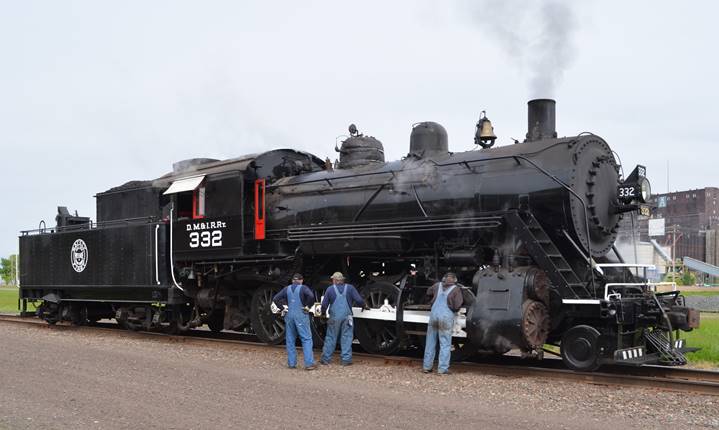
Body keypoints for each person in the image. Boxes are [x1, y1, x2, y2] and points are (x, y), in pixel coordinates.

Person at [320, 272, 366, 366]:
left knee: (331, 337)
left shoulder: (330, 289)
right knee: (347, 337)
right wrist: (364, 306)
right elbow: (359, 300)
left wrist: (323, 314)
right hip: (347, 317)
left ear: (334, 280)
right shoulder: (350, 288)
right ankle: (346, 359)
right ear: (342, 280)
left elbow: (324, 305)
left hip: (334, 317)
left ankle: (325, 359)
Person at [272, 273, 317, 370]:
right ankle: (309, 363)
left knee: (290, 340)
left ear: (292, 280)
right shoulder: (303, 288)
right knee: (306, 339)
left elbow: (275, 299)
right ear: (301, 280)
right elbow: (311, 296)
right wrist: (308, 307)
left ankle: (291, 363)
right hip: (301, 315)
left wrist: (282, 308)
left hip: (289, 316)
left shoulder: (286, 289)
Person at [422, 272, 464, 375]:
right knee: (445, 343)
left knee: (430, 341)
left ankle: (427, 367)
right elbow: (458, 305)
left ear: (444, 279)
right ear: (455, 281)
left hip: (434, 316)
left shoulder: (437, 285)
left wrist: (430, 301)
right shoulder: (456, 289)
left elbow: (428, 292)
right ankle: (442, 369)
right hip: (445, 317)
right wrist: (452, 309)